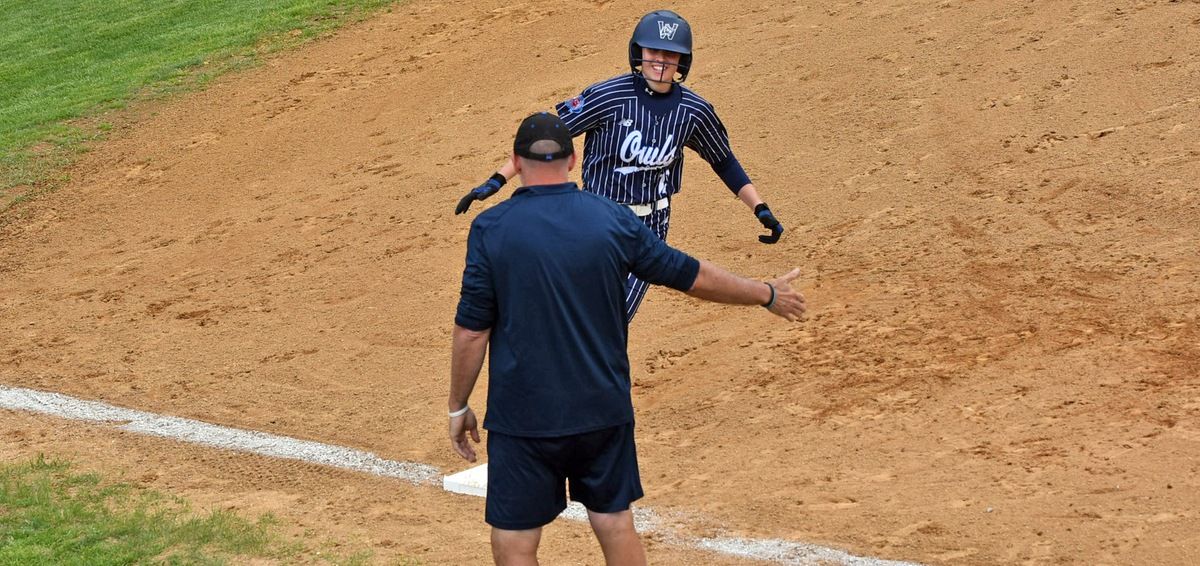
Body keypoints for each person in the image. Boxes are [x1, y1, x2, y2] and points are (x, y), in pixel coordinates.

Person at [448, 112, 806, 566]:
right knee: (614, 521)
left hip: (524, 417)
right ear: (574, 160)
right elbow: (689, 275)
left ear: (517, 162)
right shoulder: (612, 220)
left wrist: (458, 406)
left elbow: (472, 330)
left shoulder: (491, 229)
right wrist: (766, 293)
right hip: (603, 409)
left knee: (514, 539)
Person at [454, 9, 786, 322]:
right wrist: (496, 181)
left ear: (682, 60)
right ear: (638, 52)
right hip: (595, 220)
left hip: (650, 228)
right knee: (580, 311)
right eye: (653, 52)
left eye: (670, 55)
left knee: (611, 317)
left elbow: (723, 160)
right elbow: (543, 139)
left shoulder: (694, 111)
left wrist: (760, 207)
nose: (660, 61)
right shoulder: (607, 97)